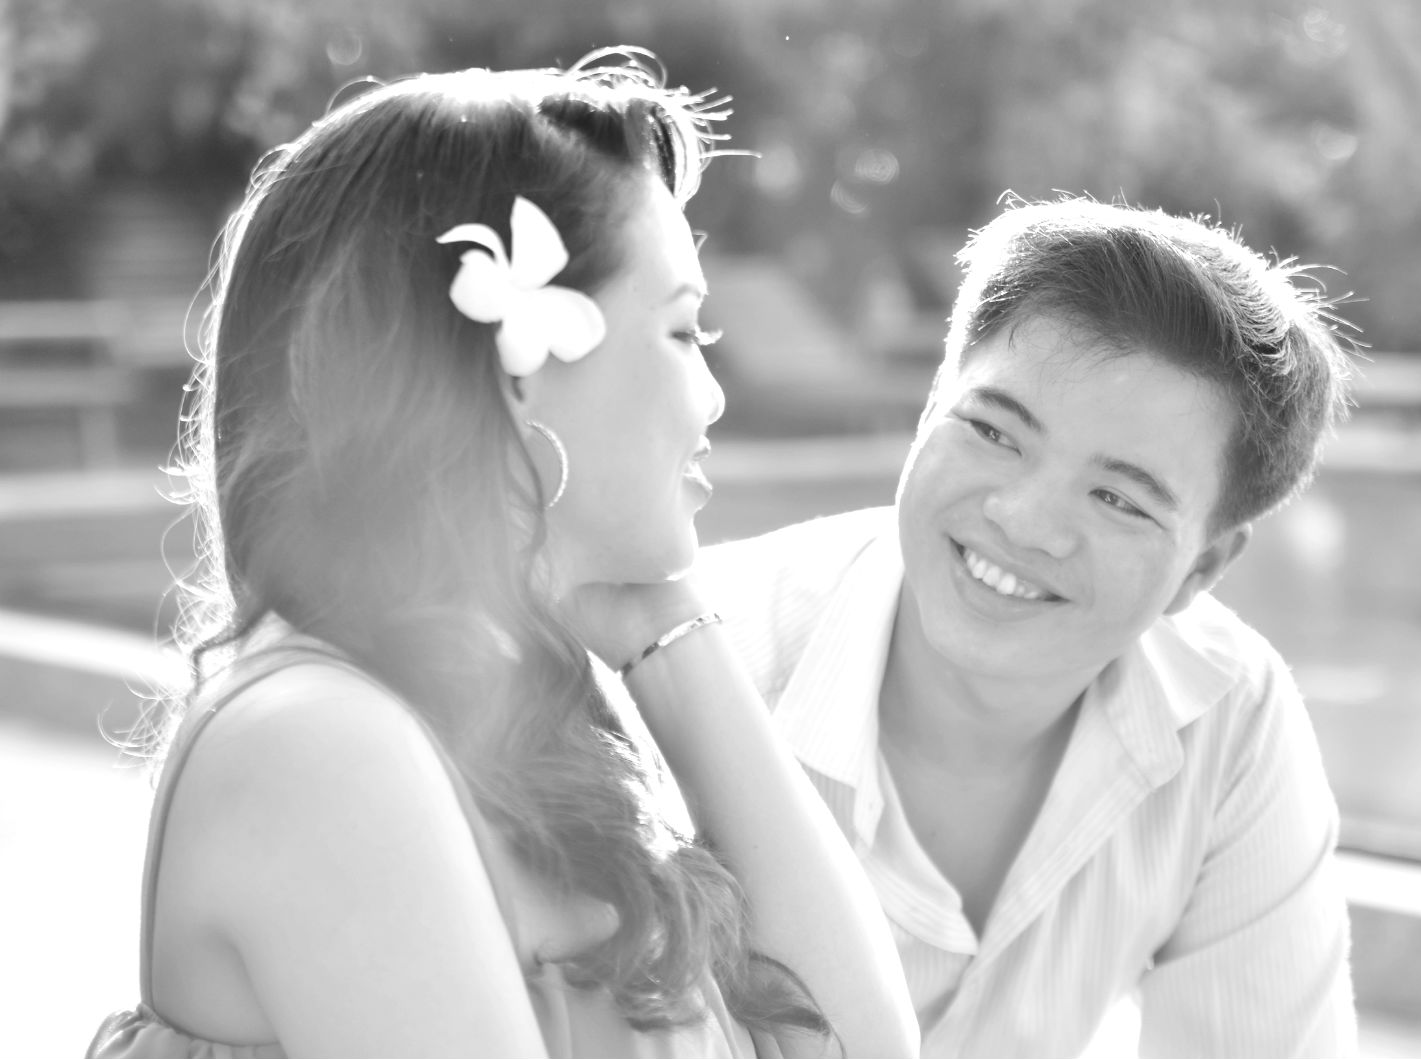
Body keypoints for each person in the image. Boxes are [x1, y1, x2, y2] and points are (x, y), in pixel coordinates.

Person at [89, 52, 917, 1059]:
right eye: (683, 330)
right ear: (516, 374)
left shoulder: (531, 720)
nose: (711, 397)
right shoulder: (318, 744)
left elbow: (861, 1045)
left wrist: (666, 626)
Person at [697, 196, 1360, 1057]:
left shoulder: (1227, 715)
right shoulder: (693, 666)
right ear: (930, 408)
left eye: (1117, 498)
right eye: (993, 431)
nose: (1024, 520)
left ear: (1201, 569)